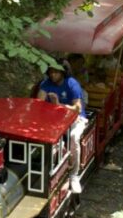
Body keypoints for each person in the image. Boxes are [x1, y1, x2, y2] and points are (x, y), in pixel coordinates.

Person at [36, 60, 87, 193]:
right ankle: (47, 171)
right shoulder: (46, 84)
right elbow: (38, 103)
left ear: (63, 72)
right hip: (54, 119)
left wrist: (58, 104)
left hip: (75, 118)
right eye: (51, 72)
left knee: (74, 137)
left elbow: (77, 108)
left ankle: (74, 175)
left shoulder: (72, 84)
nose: (53, 75)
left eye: (56, 72)